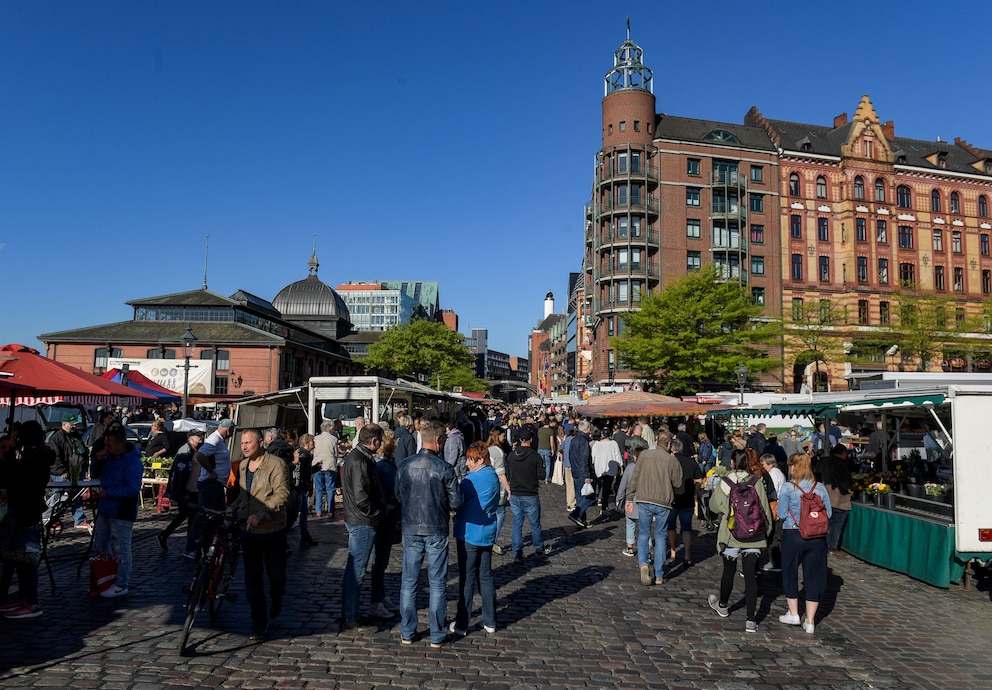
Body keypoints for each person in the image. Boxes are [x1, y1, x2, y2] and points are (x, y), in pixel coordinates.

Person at [396, 420, 462, 648]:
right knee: (437, 583)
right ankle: (437, 633)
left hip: (411, 526)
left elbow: (398, 495)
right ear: (438, 440)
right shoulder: (444, 468)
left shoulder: (405, 465)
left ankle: (407, 631)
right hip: (436, 528)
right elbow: (456, 501)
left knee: (409, 582)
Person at [707, 448, 774, 633]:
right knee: (750, 575)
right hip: (753, 536)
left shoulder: (725, 481)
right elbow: (764, 510)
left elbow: (714, 506)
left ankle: (723, 604)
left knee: (729, 571)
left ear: (733, 463)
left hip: (731, 534)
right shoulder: (756, 482)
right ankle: (751, 620)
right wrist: (765, 533)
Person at [233, 428, 290, 643]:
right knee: (252, 580)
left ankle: (277, 597)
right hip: (249, 532)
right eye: (242, 444)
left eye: (248, 443)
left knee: (276, 577)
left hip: (271, 530)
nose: (245, 447)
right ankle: (259, 623)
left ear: (260, 443)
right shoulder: (243, 466)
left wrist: (262, 513)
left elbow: (282, 494)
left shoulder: (275, 464)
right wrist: (233, 508)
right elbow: (243, 496)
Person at [0, 421, 53, 618]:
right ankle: (24, 597)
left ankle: (31, 601)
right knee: (18, 558)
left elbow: (18, 475)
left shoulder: (36, 457)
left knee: (27, 559)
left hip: (27, 510)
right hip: (20, 510)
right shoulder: (30, 455)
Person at [778, 452, 832, 634]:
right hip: (816, 538)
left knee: (790, 572)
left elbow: (782, 514)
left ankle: (793, 613)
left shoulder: (787, 487)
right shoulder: (820, 487)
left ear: (794, 467)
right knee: (814, 577)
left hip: (793, 534)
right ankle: (810, 621)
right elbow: (829, 514)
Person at [450, 441, 500, 636]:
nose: (467, 463)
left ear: (480, 459)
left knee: (467, 578)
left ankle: (462, 624)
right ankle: (490, 620)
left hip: (469, 533)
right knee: (486, 577)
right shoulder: (493, 476)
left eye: (470, 460)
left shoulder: (471, 481)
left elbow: (457, 500)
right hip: (487, 532)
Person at [340, 424, 387, 630]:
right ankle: (351, 615)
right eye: (380, 441)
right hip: (362, 520)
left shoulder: (357, 456)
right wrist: (376, 513)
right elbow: (361, 497)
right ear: (374, 441)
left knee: (354, 569)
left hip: (359, 518)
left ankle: (350, 613)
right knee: (356, 571)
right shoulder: (359, 460)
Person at [91, 425, 143, 598]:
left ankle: (121, 583)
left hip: (121, 511)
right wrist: (97, 459)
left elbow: (133, 489)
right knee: (101, 545)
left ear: (120, 444)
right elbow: (95, 474)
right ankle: (105, 578)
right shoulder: (109, 458)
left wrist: (109, 493)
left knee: (122, 549)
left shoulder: (132, 461)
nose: (106, 448)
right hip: (105, 509)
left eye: (109, 445)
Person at [626, 431, 683, 586]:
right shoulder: (672, 460)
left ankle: (644, 563)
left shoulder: (644, 455)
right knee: (660, 536)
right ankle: (659, 574)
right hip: (663, 502)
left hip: (644, 499)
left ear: (656, 441)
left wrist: (629, 498)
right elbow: (678, 483)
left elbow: (635, 478)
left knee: (644, 533)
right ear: (669, 445)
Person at [186, 418, 235, 559]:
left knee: (218, 515)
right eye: (232, 430)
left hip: (217, 484)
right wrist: (211, 471)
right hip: (210, 484)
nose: (232, 433)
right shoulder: (214, 439)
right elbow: (200, 455)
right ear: (228, 429)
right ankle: (192, 547)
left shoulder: (220, 440)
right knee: (203, 515)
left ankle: (211, 545)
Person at [368, 429, 401, 619]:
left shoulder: (384, 464)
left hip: (385, 515)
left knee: (381, 561)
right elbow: (396, 491)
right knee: (380, 561)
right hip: (385, 516)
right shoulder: (385, 467)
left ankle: (380, 596)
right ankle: (376, 599)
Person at [505, 426, 551, 563]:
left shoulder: (512, 455)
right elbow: (542, 475)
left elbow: (508, 474)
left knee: (517, 523)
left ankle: (517, 552)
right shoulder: (535, 456)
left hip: (515, 493)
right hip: (530, 493)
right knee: (535, 524)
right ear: (531, 440)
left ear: (520, 440)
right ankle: (538, 548)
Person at [157, 429, 203, 551]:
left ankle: (166, 535)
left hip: (191, 488)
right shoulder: (185, 450)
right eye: (198, 436)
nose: (201, 438)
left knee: (186, 514)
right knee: (188, 514)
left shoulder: (192, 449)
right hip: (186, 489)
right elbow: (180, 472)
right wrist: (181, 491)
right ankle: (189, 543)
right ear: (191, 438)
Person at [46, 413, 91, 529]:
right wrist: (61, 471)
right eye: (72, 425)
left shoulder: (75, 436)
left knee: (76, 496)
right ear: (64, 424)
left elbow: (81, 450)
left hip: (76, 470)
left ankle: (79, 520)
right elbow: (54, 457)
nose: (74, 426)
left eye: (75, 424)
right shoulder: (56, 438)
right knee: (57, 496)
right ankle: (52, 520)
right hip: (62, 473)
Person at [668, 437, 703, 568]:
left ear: (673, 449)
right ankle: (687, 554)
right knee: (686, 527)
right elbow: (699, 479)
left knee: (671, 526)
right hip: (687, 498)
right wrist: (694, 491)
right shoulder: (691, 462)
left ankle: (673, 550)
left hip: (672, 498)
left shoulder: (671, 461)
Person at [815, 444, 851, 556]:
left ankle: (826, 546)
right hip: (840, 498)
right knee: (837, 524)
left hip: (826, 496)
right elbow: (843, 482)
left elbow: (817, 473)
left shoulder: (824, 461)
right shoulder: (841, 464)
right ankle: (833, 547)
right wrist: (850, 490)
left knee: (829, 523)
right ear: (843, 453)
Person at [616, 436, 648, 558]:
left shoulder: (630, 468)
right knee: (645, 528)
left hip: (631, 501)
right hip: (645, 501)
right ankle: (647, 548)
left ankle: (630, 547)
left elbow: (623, 486)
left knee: (630, 524)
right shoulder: (649, 468)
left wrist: (619, 499)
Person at [485, 427, 512, 555]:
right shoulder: (498, 451)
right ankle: (492, 541)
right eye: (502, 435)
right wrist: (508, 489)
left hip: (487, 486)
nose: (504, 438)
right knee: (500, 514)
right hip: (497, 487)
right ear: (498, 436)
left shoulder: (487, 449)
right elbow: (501, 473)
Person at [760, 453, 787, 572]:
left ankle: (775, 562)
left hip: (776, 507)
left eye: (763, 464)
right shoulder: (774, 472)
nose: (762, 466)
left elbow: (773, 492)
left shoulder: (774, 474)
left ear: (770, 464)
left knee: (775, 535)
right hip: (778, 507)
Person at [591, 427, 623, 517]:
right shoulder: (613, 444)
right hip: (611, 469)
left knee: (601, 487)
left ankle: (602, 503)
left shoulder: (596, 445)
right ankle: (604, 506)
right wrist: (620, 466)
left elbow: (593, 457)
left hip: (599, 469)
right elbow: (618, 456)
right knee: (606, 488)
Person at [293, 434, 317, 547]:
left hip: (300, 486)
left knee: (303, 513)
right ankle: (304, 536)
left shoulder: (301, 453)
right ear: (307, 443)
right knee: (298, 513)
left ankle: (305, 536)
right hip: (300, 487)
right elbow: (304, 472)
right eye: (312, 442)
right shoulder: (305, 455)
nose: (314, 444)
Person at [312, 420, 340, 518]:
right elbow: (336, 454)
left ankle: (318, 510)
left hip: (317, 464)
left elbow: (313, 452)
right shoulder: (334, 439)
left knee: (319, 489)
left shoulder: (316, 438)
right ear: (330, 428)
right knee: (330, 488)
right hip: (330, 465)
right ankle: (330, 510)